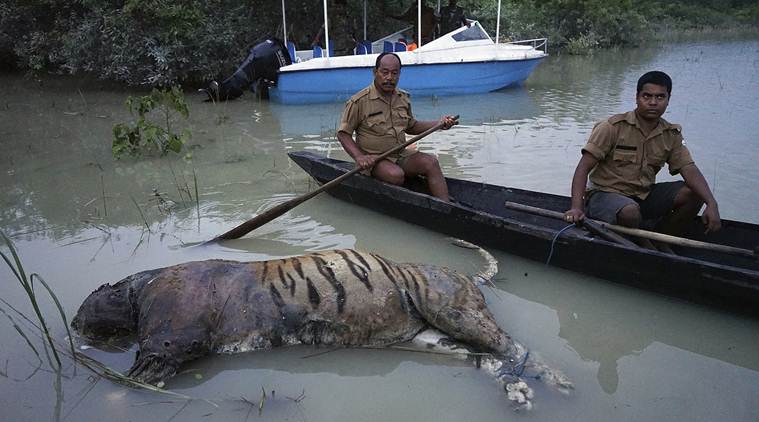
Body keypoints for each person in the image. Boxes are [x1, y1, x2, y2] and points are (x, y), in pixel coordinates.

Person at [565, 71, 721, 251]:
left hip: (642, 196)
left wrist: (711, 202)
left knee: (695, 193)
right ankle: (644, 244)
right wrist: (576, 208)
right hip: (604, 195)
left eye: (660, 97)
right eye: (647, 96)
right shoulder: (612, 127)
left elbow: (689, 169)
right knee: (629, 211)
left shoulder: (670, 134)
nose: (653, 102)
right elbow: (583, 168)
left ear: (668, 99)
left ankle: (661, 239)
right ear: (637, 98)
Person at [337, 53, 457, 201]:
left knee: (431, 162)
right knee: (396, 175)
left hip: (400, 155)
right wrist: (360, 157)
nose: (389, 77)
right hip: (375, 160)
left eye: (394, 73)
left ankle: (445, 207)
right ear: (375, 72)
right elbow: (343, 134)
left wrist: (439, 124)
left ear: (399, 74)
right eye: (384, 72)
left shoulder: (403, 98)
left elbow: (412, 126)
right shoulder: (359, 101)